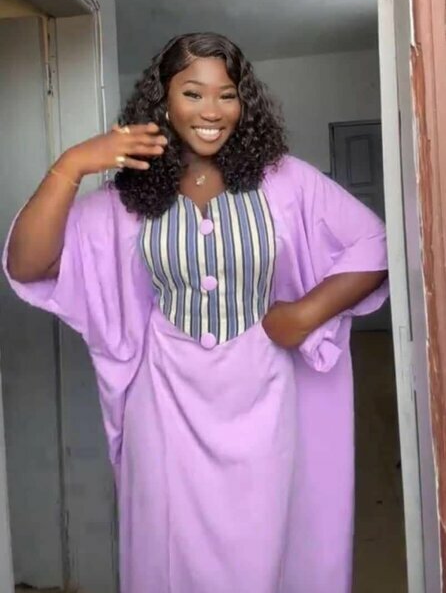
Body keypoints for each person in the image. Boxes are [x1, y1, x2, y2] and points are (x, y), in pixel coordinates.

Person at [3, 32, 388, 593]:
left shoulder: (284, 179)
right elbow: (29, 263)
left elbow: (373, 244)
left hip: (263, 394)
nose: (212, 111)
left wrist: (306, 313)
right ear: (162, 99)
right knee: (169, 551)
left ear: (243, 103)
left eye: (226, 95)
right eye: (192, 93)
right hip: (165, 401)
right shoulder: (129, 197)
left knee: (261, 546)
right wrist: (72, 164)